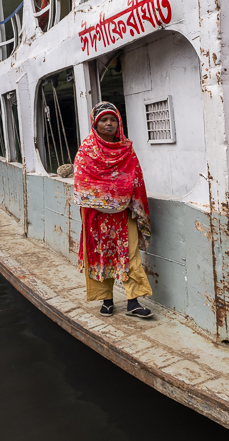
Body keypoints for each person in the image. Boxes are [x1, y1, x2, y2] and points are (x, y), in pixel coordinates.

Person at [73, 102, 154, 318]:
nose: (109, 124)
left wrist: (130, 203)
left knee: (130, 254)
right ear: (95, 123)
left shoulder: (126, 148)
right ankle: (106, 301)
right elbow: (81, 182)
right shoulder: (86, 150)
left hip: (124, 213)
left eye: (113, 120)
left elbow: (136, 178)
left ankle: (133, 302)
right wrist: (107, 195)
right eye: (104, 120)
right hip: (96, 215)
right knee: (100, 254)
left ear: (119, 122)